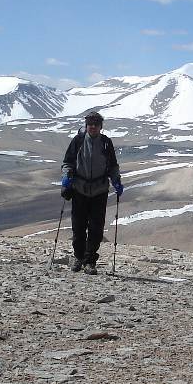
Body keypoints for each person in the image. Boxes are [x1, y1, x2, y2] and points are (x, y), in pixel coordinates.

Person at [60, 112, 123, 274]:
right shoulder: (78, 141)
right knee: (78, 227)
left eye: (96, 124)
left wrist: (116, 180)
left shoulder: (106, 143)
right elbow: (68, 162)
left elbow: (113, 166)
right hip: (79, 189)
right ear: (86, 125)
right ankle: (79, 257)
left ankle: (90, 261)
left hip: (99, 191)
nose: (93, 126)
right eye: (90, 124)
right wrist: (66, 178)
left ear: (101, 127)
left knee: (96, 228)